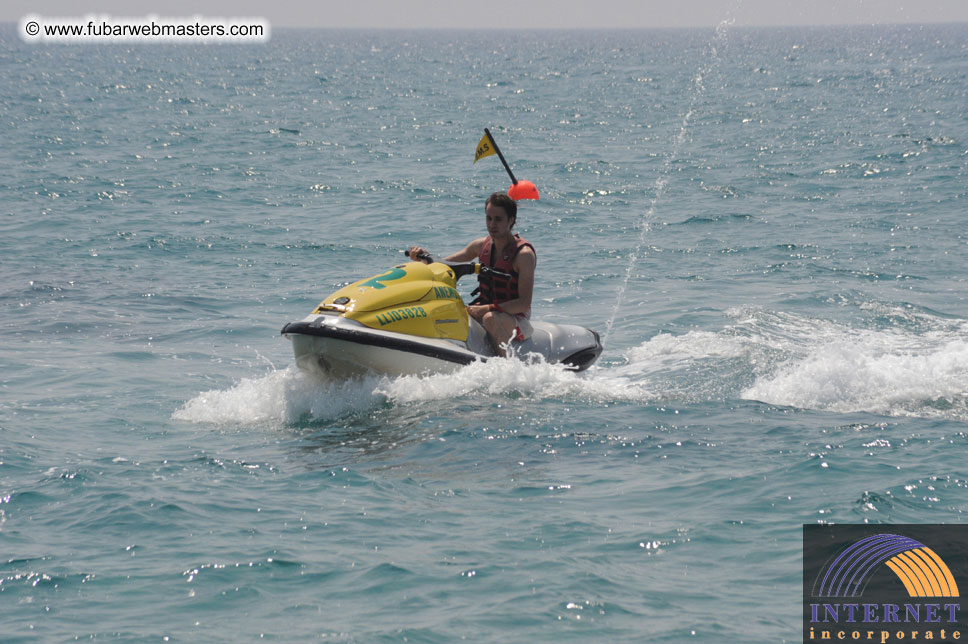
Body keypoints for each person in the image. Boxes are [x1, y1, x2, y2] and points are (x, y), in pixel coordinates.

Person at [409, 192, 535, 356]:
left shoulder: (524, 255)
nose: (492, 224)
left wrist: (487, 309)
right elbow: (444, 264)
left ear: (511, 220)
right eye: (489, 218)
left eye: (498, 219)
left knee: (490, 318)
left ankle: (509, 367)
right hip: (487, 309)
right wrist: (423, 257)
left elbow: (524, 304)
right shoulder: (480, 246)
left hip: (517, 319)